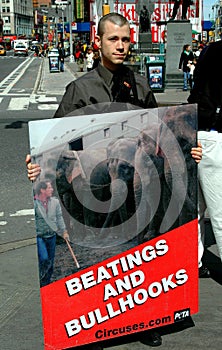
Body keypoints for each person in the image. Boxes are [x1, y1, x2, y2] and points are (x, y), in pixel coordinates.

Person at [26, 12, 202, 348]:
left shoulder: (140, 85)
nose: (120, 46)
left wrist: (187, 153)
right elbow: (51, 144)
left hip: (138, 182)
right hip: (93, 184)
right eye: (113, 39)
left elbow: (160, 130)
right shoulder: (79, 89)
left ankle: (146, 319)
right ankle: (95, 321)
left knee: (142, 250)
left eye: (125, 39)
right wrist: (37, 166)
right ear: (99, 41)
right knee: (105, 257)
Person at [188, 39, 222, 277]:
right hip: (215, 135)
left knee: (195, 208)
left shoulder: (211, 50)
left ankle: (193, 261)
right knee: (219, 211)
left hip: (199, 128)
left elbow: (198, 91)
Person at [34, 180, 69, 287]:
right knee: (44, 258)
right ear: (42, 190)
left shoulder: (55, 202)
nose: (52, 190)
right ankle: (40, 278)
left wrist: (64, 231)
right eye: (49, 188)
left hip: (51, 236)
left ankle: (46, 284)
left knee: (51, 261)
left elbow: (59, 217)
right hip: (39, 236)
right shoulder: (34, 203)